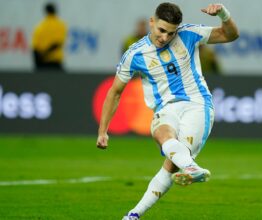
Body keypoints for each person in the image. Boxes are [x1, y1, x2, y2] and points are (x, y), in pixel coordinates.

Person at [96, 2, 239, 220]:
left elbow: (230, 35)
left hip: (198, 105)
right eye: (161, 30)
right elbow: (115, 92)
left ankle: (134, 214)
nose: (164, 37)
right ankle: (191, 168)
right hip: (167, 107)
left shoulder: (189, 34)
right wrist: (102, 131)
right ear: (151, 22)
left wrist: (223, 13)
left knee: (171, 164)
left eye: (170, 33)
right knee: (161, 134)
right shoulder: (135, 54)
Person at [32, 2, 67, 72]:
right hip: (55, 62)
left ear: (46, 12)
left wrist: (39, 59)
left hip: (42, 62)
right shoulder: (60, 25)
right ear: (55, 11)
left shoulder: (40, 27)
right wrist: (47, 54)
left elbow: (35, 47)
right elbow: (58, 43)